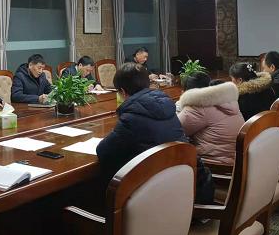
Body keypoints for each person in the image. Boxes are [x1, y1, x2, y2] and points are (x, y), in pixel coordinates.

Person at [96, 62, 214, 204]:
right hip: (183, 185)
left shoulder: (131, 117)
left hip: (156, 195)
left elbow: (103, 151)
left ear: (122, 91)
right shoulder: (167, 107)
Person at [178, 77, 244, 165]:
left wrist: (180, 108)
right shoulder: (230, 102)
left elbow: (176, 129)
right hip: (235, 159)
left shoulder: (201, 107)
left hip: (215, 164)